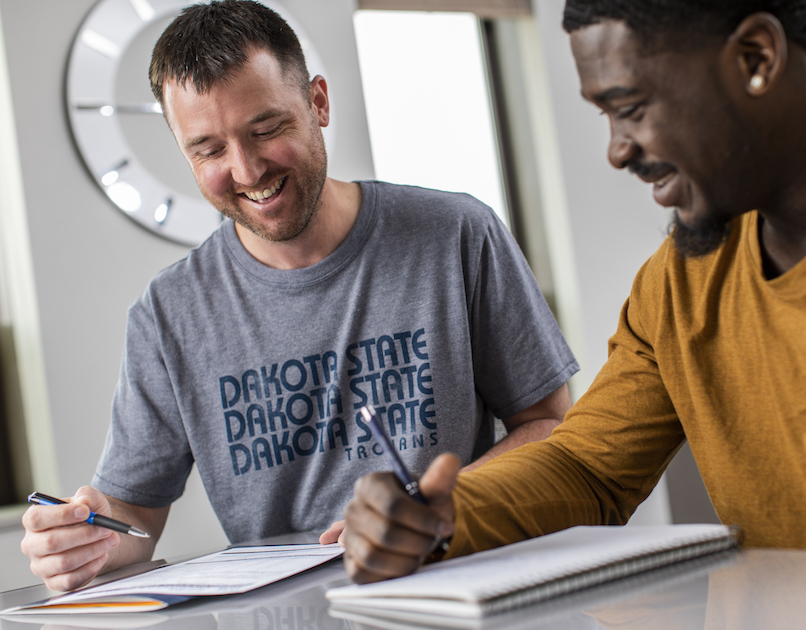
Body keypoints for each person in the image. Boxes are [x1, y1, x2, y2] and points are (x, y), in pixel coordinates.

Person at [340, 0, 806, 584]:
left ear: (757, 58)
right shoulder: (684, 277)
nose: (617, 149)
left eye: (629, 108)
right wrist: (440, 516)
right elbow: (587, 468)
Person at [20, 0, 577, 592]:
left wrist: (443, 508)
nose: (247, 169)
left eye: (266, 130)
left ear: (318, 102)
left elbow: (550, 424)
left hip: (455, 583)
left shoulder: (457, 234)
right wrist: (85, 544)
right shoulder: (168, 314)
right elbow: (134, 516)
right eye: (209, 150)